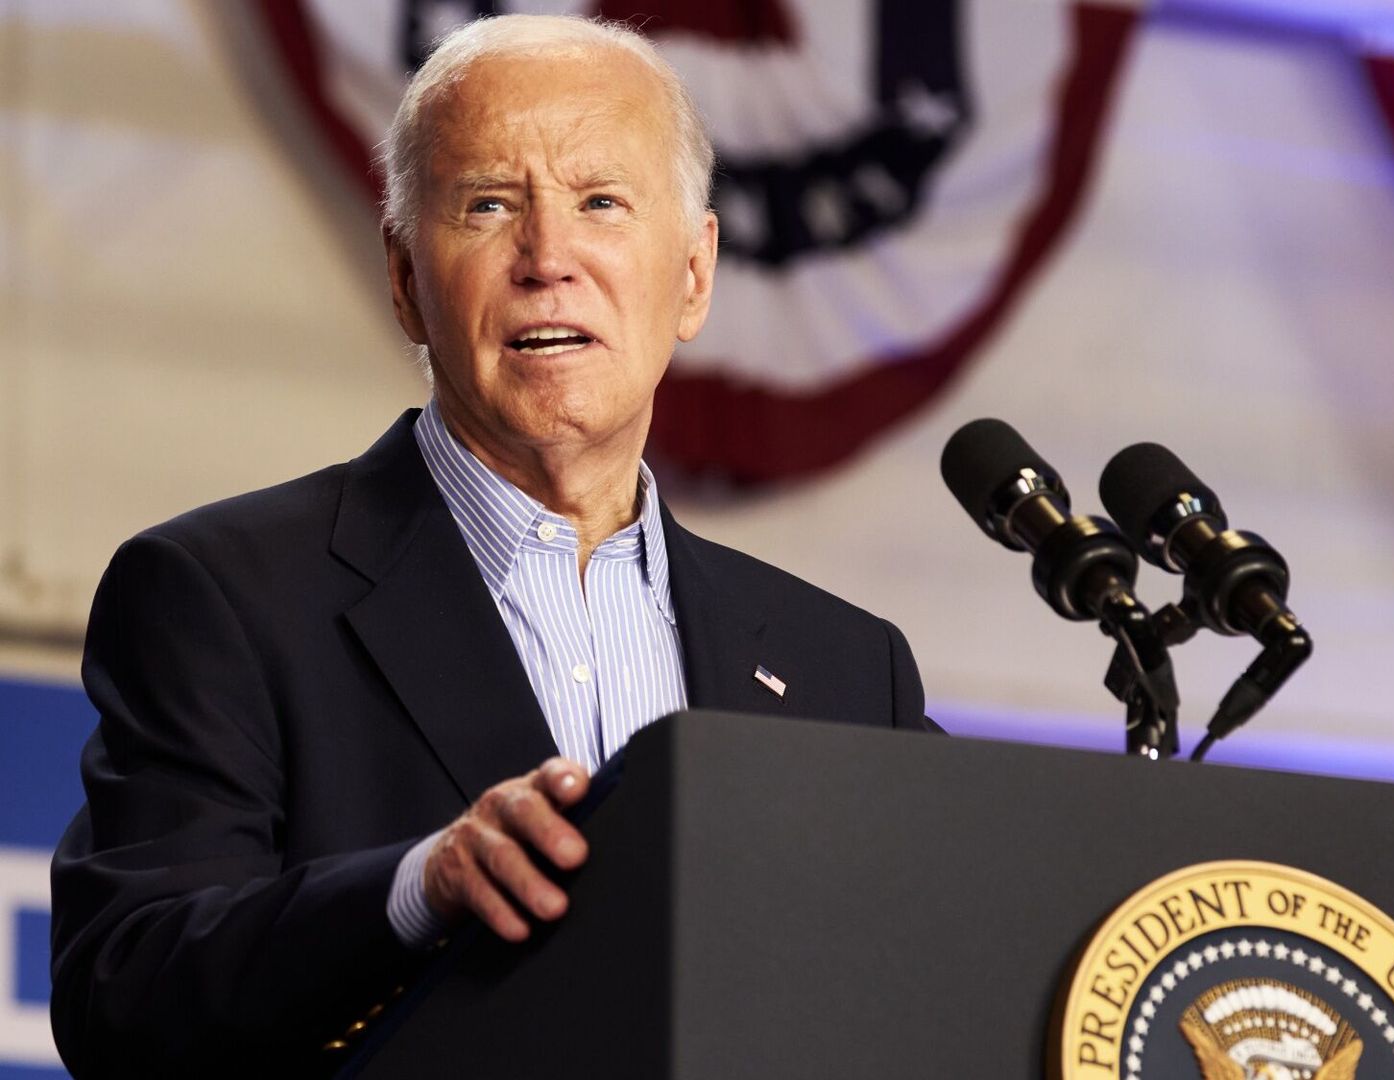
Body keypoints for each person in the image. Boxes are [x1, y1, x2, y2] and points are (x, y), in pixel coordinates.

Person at [49, 15, 935, 1078]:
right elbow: (126, 991)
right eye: (488, 206)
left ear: (693, 274)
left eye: (601, 202)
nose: (548, 259)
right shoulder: (224, 596)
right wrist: (417, 889)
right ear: (407, 279)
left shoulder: (847, 668)